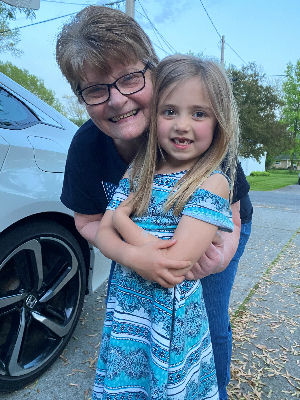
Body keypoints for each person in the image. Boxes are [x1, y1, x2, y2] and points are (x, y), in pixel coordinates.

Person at [56, 6, 252, 399]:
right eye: (95, 89)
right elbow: (91, 220)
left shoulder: (200, 142)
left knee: (208, 325)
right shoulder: (89, 148)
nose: (116, 100)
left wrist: (224, 252)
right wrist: (136, 256)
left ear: (154, 72)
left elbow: (230, 207)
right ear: (82, 97)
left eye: (129, 78)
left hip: (211, 234)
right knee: (134, 331)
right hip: (144, 248)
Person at [93, 53, 239, 399]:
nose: (181, 125)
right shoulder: (140, 168)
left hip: (168, 322)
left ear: (218, 122)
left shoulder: (212, 182)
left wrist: (123, 222)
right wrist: (127, 244)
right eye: (169, 111)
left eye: (199, 113)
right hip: (128, 317)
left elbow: (175, 263)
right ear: (154, 115)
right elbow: (100, 233)